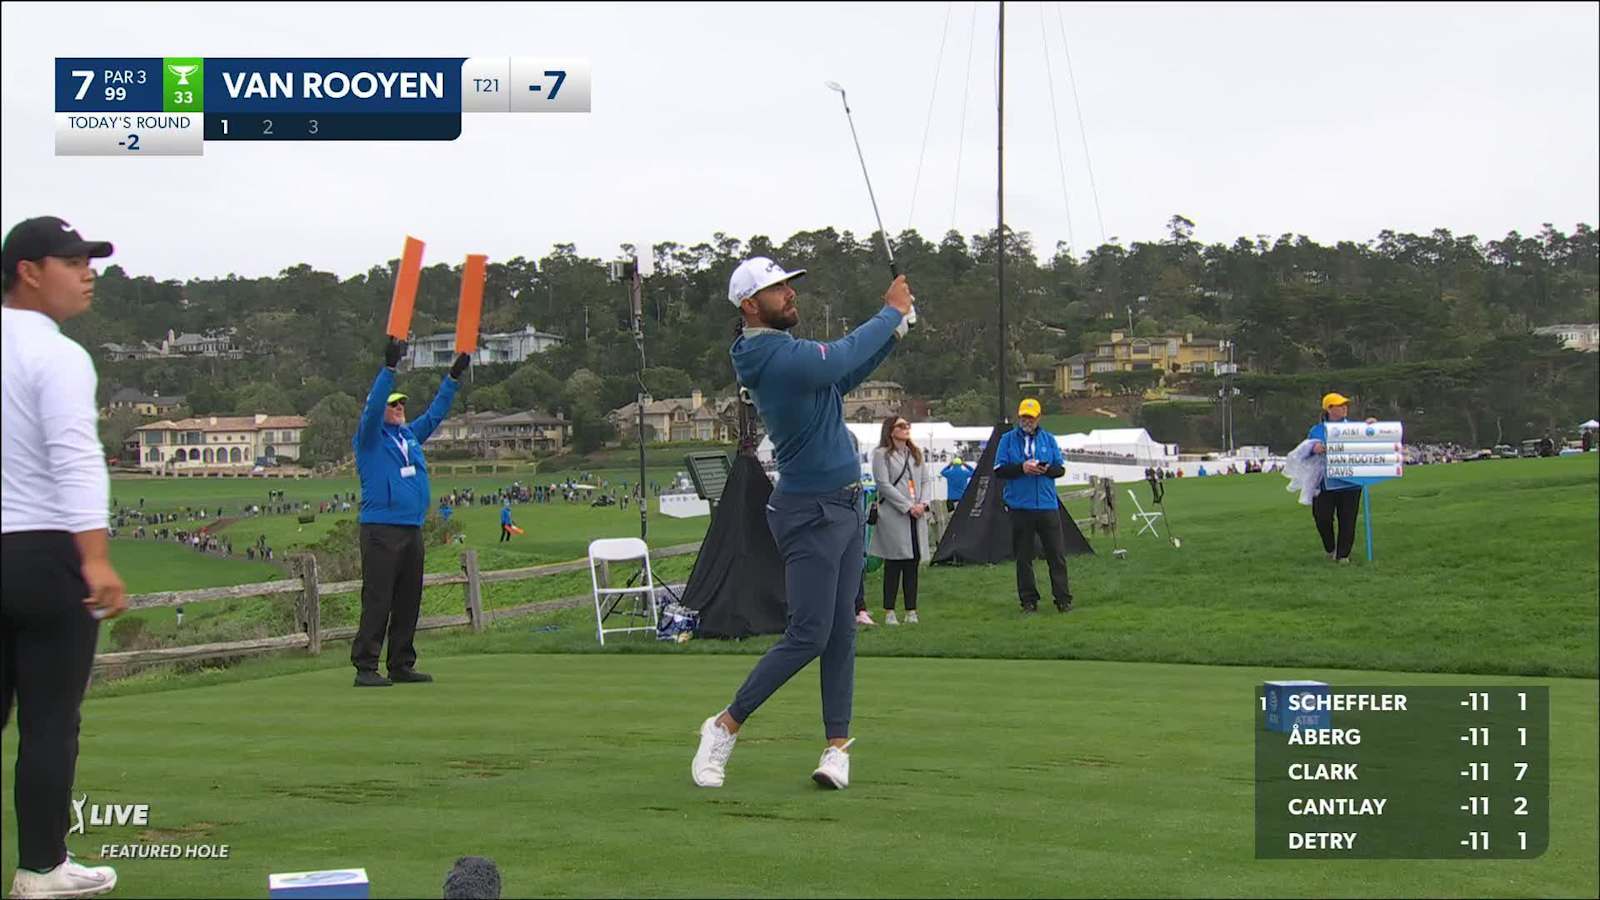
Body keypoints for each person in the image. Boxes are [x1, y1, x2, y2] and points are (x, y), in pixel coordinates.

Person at [691, 256, 912, 791]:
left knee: (839, 634)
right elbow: (839, 356)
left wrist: (894, 332)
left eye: (789, 286)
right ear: (750, 304)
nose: (790, 294)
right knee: (809, 634)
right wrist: (888, 314)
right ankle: (724, 725)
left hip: (842, 507)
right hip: (808, 511)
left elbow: (846, 372)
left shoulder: (787, 355)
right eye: (777, 289)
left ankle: (837, 748)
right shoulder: (768, 353)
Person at [2, 216, 125, 898]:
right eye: (73, 262)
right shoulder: (57, 355)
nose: (88, 274)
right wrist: (97, 558)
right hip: (46, 552)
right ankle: (41, 868)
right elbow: (76, 459)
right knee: (49, 719)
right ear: (29, 269)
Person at [351, 338, 469, 687]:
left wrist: (453, 378)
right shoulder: (370, 438)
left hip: (411, 528)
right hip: (380, 528)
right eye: (394, 404)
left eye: (402, 403)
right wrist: (388, 370)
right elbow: (372, 408)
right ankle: (366, 667)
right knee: (378, 598)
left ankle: (401, 663)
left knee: (408, 599)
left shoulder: (409, 437)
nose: (400, 407)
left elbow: (434, 415)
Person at [994, 398, 1073, 613]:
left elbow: (1060, 469)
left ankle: (1063, 598)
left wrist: (1045, 469)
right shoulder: (1007, 440)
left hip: (1047, 505)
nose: (1026, 420)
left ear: (1039, 417)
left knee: (1056, 554)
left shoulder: (1049, 439)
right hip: (1020, 506)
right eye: (1023, 416)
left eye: (1030, 417)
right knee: (1024, 556)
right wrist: (1022, 468)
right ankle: (1028, 600)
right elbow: (999, 470)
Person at [869, 416, 930, 625]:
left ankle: (911, 610)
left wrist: (923, 503)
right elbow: (884, 485)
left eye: (907, 426)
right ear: (890, 430)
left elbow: (924, 480)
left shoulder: (915, 454)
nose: (906, 429)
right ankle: (890, 610)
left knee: (912, 563)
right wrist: (907, 506)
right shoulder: (882, 455)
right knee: (894, 563)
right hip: (894, 515)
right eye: (901, 426)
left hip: (916, 515)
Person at [1306, 392, 1380, 564]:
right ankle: (1331, 548)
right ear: (1329, 409)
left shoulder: (1354, 427)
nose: (1344, 408)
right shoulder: (1316, 430)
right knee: (1322, 517)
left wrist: (1373, 427)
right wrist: (1314, 448)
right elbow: (1307, 450)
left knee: (1348, 519)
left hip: (1351, 483)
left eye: (1345, 405)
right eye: (1340, 405)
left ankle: (1343, 555)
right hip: (1324, 483)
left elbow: (1370, 437)